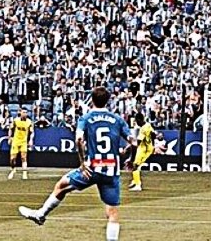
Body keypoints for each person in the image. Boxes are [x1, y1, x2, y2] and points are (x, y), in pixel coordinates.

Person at [19, 86, 134, 241]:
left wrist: (81, 163)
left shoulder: (86, 118)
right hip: (111, 170)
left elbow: (79, 139)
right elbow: (133, 142)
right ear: (108, 101)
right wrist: (128, 157)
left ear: (92, 100)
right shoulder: (118, 120)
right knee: (112, 212)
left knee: (62, 185)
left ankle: (41, 214)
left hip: (92, 167)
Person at [129, 112, 156, 192]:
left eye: (137, 121)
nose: (137, 123)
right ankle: (134, 180)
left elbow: (138, 142)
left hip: (144, 149)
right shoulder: (148, 125)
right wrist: (153, 145)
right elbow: (153, 134)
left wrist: (130, 146)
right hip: (149, 147)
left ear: (139, 120)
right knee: (137, 165)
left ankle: (138, 185)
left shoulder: (143, 129)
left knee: (135, 165)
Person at [8, 107, 34, 180]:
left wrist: (31, 140)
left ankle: (24, 173)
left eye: (26, 112)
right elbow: (10, 129)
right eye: (23, 112)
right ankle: (13, 170)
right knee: (12, 159)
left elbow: (32, 132)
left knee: (23, 157)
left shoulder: (29, 122)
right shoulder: (16, 120)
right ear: (20, 113)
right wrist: (9, 137)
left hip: (24, 142)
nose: (25, 114)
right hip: (15, 141)